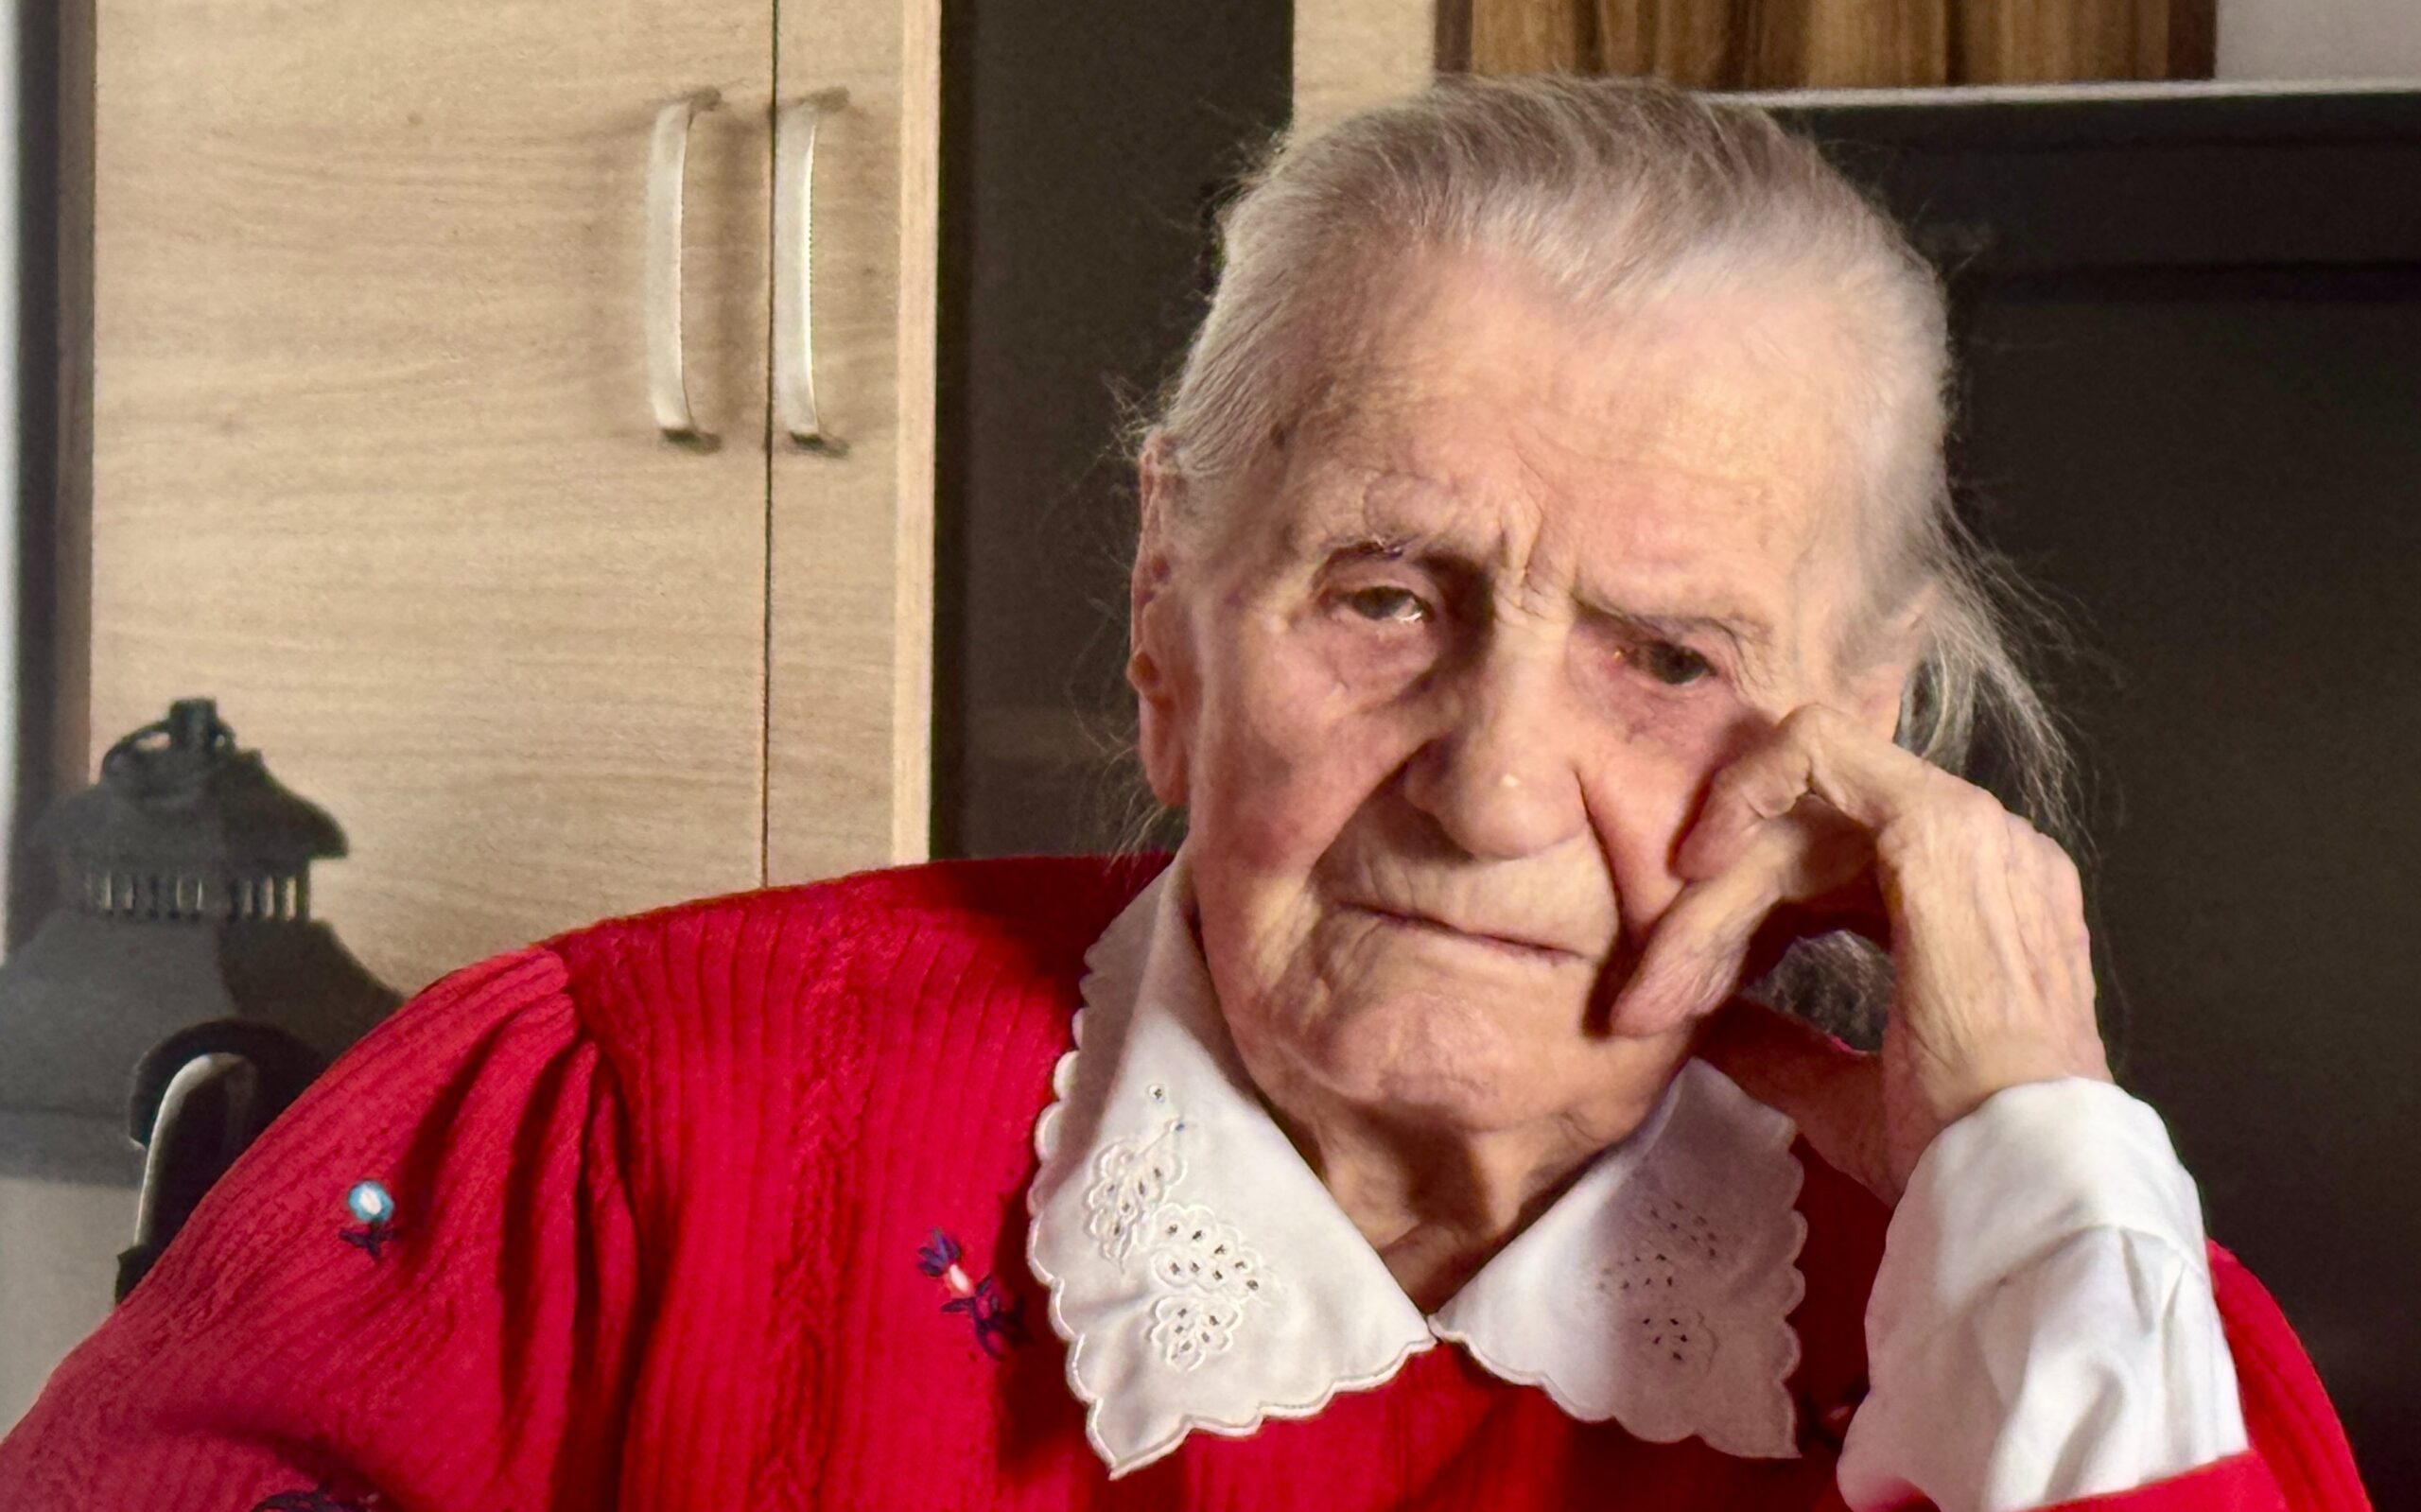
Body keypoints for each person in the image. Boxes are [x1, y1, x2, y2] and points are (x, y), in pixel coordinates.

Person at [0, 76, 2370, 1512]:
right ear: (1167, 613)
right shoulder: (621, 1127)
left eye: (1666, 656)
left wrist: (2028, 1161)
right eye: (1383, 597)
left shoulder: (2061, 1321)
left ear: (1855, 735)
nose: (1490, 790)